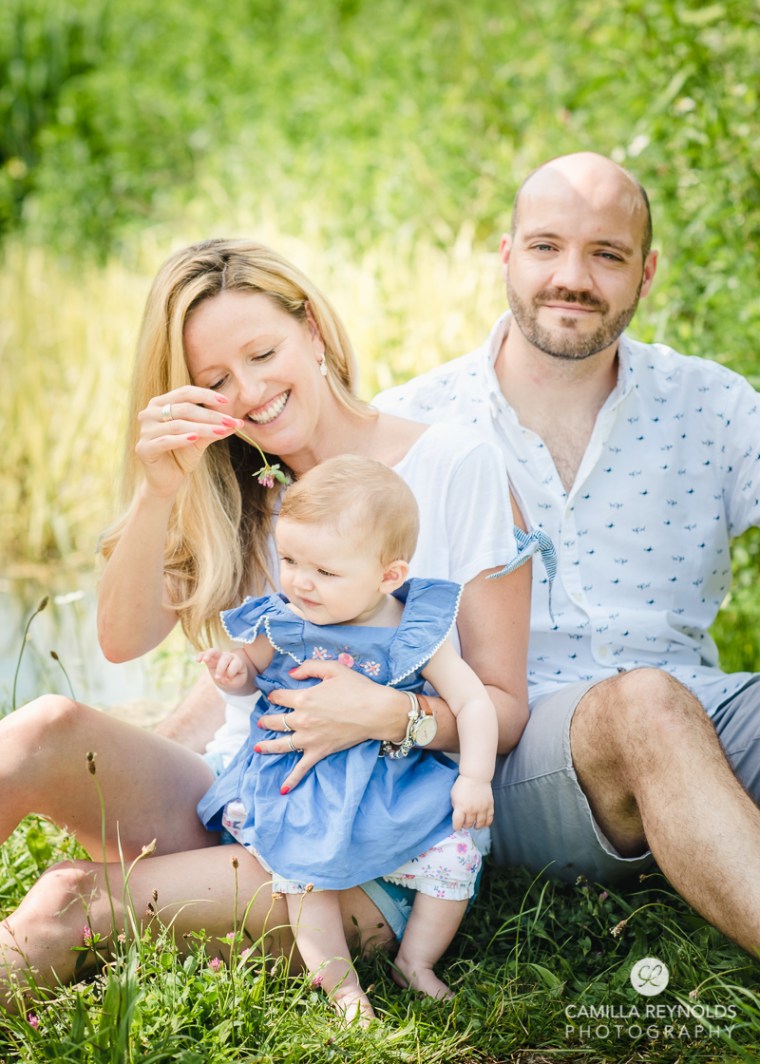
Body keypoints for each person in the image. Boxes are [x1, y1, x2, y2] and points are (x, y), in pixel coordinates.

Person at [0, 238, 533, 1011]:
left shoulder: (453, 466)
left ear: (311, 329)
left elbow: (504, 708)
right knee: (40, 730)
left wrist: (384, 713)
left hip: (361, 849)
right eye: (216, 380)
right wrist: (157, 491)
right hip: (244, 800)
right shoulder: (237, 489)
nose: (249, 392)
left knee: (68, 902)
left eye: (262, 354)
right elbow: (120, 641)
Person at [374, 150, 760, 955]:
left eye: (607, 254)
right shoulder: (414, 425)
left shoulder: (713, 405)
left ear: (646, 272)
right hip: (517, 757)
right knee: (644, 705)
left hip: (704, 713)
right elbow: (306, 593)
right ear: (506, 255)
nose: (572, 278)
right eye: (546, 247)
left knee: (663, 703)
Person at [197, 454, 499, 1019]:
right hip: (307, 786)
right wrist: (234, 674)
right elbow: (251, 673)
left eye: (325, 572)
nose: (299, 581)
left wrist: (475, 778)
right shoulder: (285, 619)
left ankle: (417, 961)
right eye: (289, 560)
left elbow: (473, 702)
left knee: (455, 855)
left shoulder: (413, 632)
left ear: (389, 576)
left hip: (392, 785)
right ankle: (341, 988)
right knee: (306, 881)